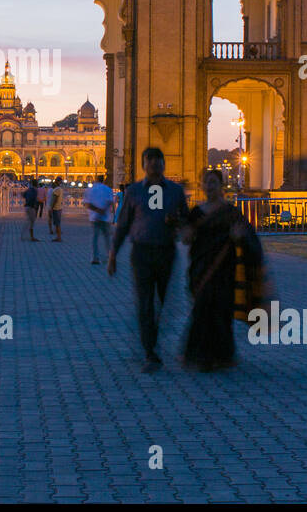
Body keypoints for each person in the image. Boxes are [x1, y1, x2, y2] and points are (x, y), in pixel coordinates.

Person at [109, 147, 189, 372]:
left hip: (166, 251)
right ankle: (150, 353)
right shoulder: (134, 191)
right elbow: (123, 224)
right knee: (145, 303)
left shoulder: (175, 191)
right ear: (143, 165)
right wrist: (113, 253)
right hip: (141, 253)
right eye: (149, 160)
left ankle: (152, 340)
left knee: (162, 303)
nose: (154, 164)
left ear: (164, 164)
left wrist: (178, 223)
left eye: (157, 160)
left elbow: (186, 220)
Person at [181, 169, 263, 371]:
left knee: (221, 310)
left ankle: (221, 355)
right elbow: (186, 238)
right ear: (202, 186)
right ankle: (201, 356)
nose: (209, 186)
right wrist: (185, 233)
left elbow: (249, 239)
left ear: (221, 186)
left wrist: (239, 236)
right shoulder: (196, 213)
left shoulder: (231, 213)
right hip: (200, 269)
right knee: (201, 310)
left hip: (224, 270)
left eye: (213, 182)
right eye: (206, 182)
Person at [83, 177, 115, 264]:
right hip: (106, 217)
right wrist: (103, 210)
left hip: (94, 218)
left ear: (95, 180)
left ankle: (95, 258)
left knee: (94, 238)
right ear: (103, 180)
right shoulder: (108, 189)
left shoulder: (89, 190)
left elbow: (87, 204)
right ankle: (110, 256)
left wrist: (97, 210)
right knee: (107, 238)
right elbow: (110, 202)